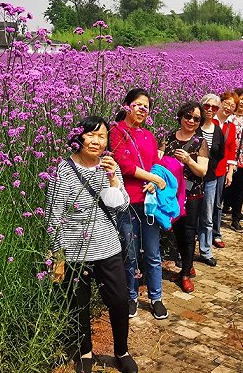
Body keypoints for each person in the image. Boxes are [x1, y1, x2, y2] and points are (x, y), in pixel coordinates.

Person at [46, 116, 138, 373]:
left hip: (108, 247)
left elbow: (121, 206)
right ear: (79, 137)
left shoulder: (110, 166)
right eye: (91, 135)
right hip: (75, 250)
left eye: (102, 136)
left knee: (119, 300)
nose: (97, 141)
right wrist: (58, 255)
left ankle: (122, 350)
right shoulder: (62, 171)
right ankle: (84, 352)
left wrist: (113, 180)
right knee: (79, 304)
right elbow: (54, 216)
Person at [110, 88, 169, 320]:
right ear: (126, 105)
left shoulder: (148, 135)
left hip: (149, 202)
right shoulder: (116, 132)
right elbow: (123, 165)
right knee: (130, 253)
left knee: (153, 252)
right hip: (127, 201)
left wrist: (154, 182)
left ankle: (156, 297)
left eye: (146, 106)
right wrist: (153, 178)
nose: (142, 109)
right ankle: (131, 295)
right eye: (138, 104)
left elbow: (156, 164)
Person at [161, 101, 209, 293]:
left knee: (189, 232)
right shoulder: (169, 138)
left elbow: (202, 171)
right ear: (180, 117)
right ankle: (186, 266)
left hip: (192, 193)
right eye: (188, 116)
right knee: (177, 231)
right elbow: (158, 160)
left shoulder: (200, 142)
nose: (191, 121)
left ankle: (186, 274)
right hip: (172, 193)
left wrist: (189, 160)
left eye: (196, 118)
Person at [196, 94, 225, 266]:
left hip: (210, 180)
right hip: (192, 180)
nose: (210, 110)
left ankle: (205, 251)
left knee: (207, 216)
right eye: (207, 106)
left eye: (215, 108)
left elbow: (220, 154)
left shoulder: (218, 131)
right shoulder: (193, 125)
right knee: (189, 216)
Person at [223, 88, 243, 232]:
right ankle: (223, 210)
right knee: (225, 188)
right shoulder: (228, 117)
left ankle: (235, 219)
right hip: (228, 159)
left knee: (240, 190)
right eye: (241, 99)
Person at [211, 92, 238, 248]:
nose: (228, 107)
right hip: (205, 168)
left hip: (221, 170)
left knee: (217, 203)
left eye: (232, 106)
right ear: (220, 103)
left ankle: (216, 233)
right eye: (226, 103)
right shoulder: (209, 121)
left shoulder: (231, 126)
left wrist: (230, 171)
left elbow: (231, 149)